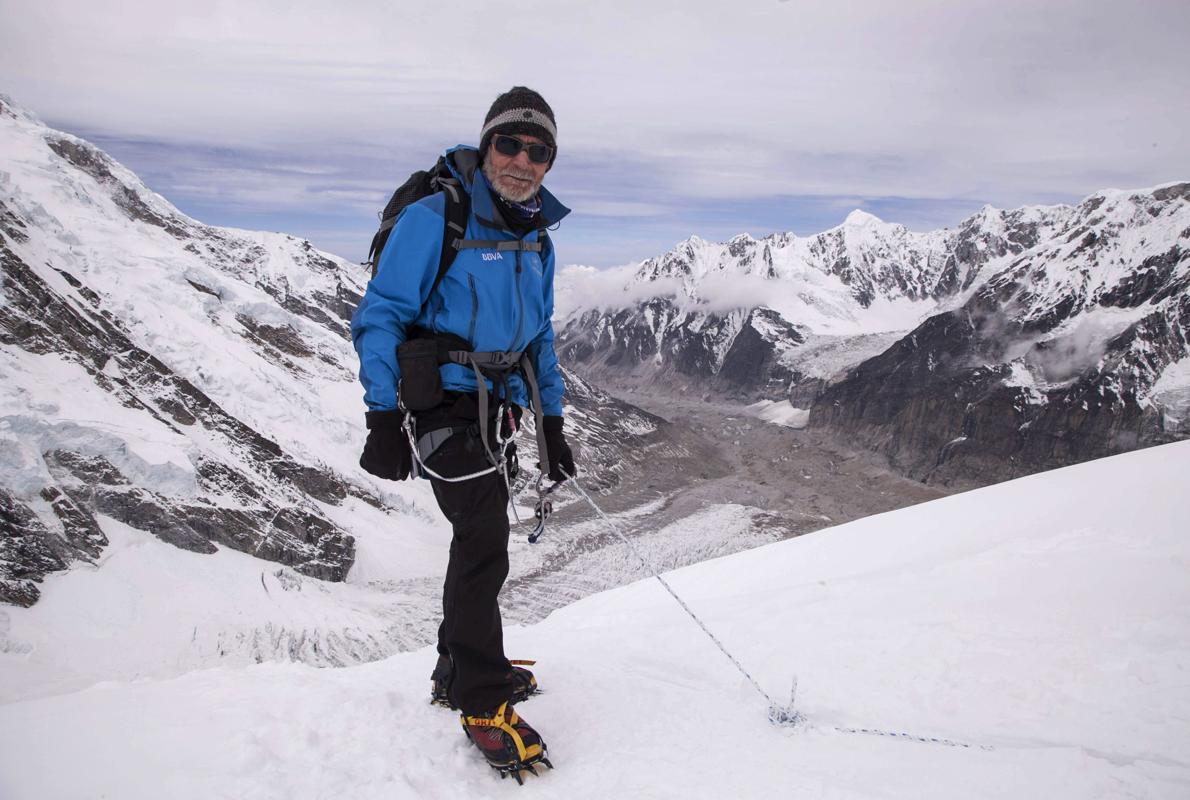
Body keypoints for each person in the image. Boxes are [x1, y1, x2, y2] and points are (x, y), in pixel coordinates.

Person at [350, 86, 576, 778]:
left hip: (496, 407)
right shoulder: (436, 218)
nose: (522, 159)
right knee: (483, 540)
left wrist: (553, 422)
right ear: (486, 147)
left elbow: (538, 338)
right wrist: (383, 416)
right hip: (440, 404)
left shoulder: (535, 237)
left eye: (539, 151)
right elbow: (382, 314)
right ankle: (481, 701)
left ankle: (456, 667)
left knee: (477, 537)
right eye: (509, 143)